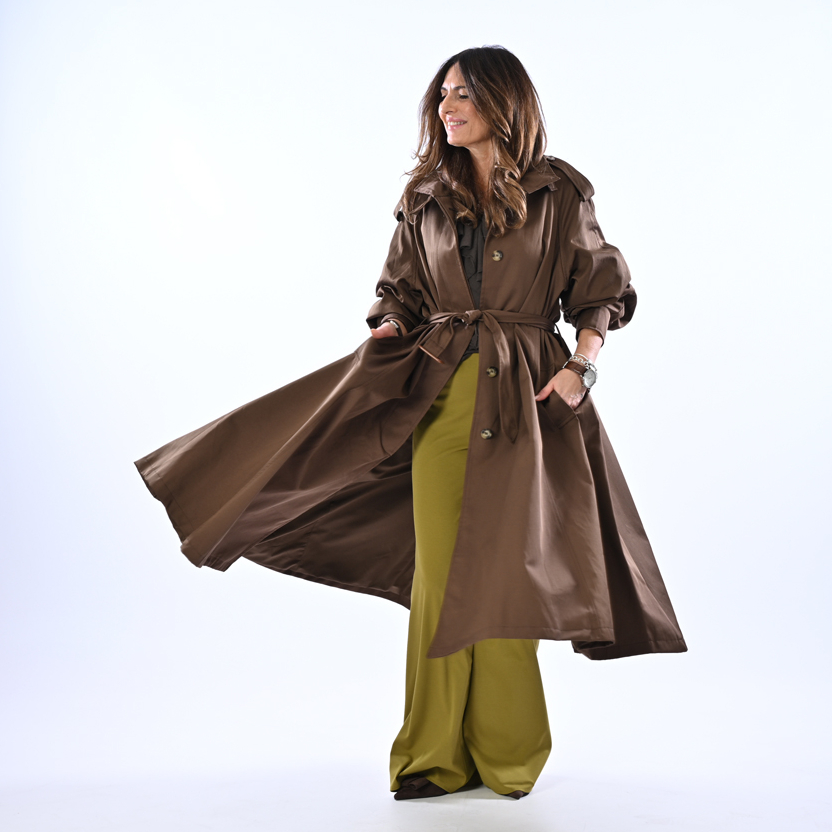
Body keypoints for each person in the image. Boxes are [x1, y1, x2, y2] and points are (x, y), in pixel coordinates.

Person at [135, 45, 686, 804]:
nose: (446, 108)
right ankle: (432, 755)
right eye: (442, 95)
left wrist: (581, 367)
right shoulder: (425, 195)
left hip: (529, 399)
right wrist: (391, 323)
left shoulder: (560, 191)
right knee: (439, 574)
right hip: (440, 394)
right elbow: (398, 287)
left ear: (504, 104)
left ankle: (509, 753)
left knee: (512, 569)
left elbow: (600, 289)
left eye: (462, 94)